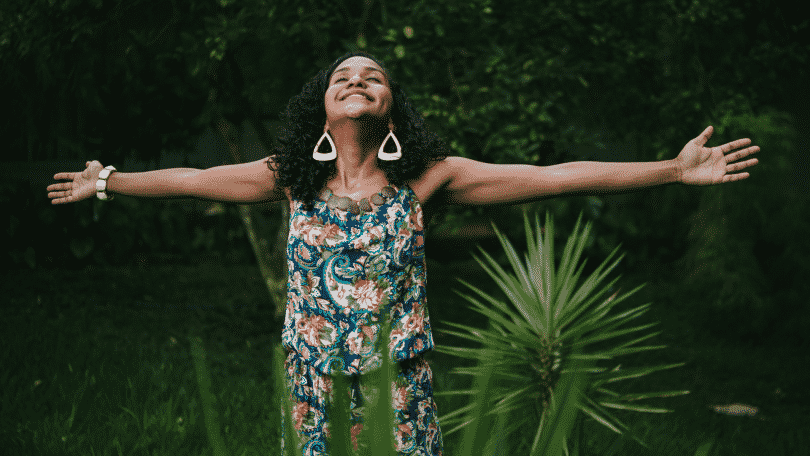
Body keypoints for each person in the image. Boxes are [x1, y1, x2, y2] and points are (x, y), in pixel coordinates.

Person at [47, 51, 760, 455]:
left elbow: (554, 176)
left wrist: (671, 170)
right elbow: (192, 179)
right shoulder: (291, 176)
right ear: (322, 108)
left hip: (401, 387)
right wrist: (107, 181)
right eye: (342, 78)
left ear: (391, 107)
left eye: (373, 77)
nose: (357, 80)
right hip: (313, 386)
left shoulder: (430, 177)